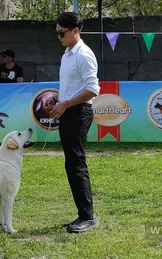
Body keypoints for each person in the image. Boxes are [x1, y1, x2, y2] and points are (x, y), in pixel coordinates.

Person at [45, 12, 100, 234]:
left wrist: (65, 103)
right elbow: (70, 86)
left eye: (62, 33)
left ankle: (88, 216)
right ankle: (82, 214)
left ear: (75, 31)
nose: (59, 37)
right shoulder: (67, 54)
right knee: (72, 163)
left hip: (79, 112)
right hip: (69, 110)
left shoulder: (84, 55)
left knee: (76, 163)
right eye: (57, 33)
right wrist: (58, 101)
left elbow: (93, 89)